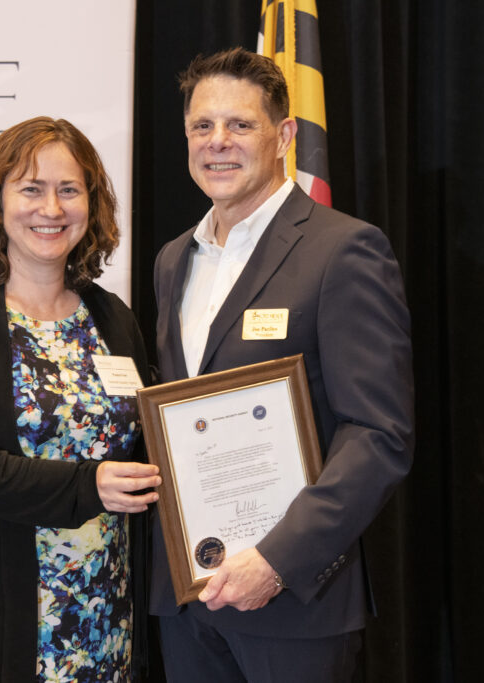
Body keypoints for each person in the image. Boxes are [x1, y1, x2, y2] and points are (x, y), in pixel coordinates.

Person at [150, 48, 415, 681]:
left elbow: (378, 434)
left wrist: (276, 561)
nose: (218, 141)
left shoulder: (343, 250)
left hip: (294, 603)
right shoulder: (172, 259)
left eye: (240, 124)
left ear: (284, 136)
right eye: (202, 125)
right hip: (189, 599)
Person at [0, 116, 161, 682]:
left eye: (69, 189)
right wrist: (89, 485)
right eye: (31, 188)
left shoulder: (113, 319)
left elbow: (147, 436)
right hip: (6, 615)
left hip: (107, 613)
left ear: (91, 205)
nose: (51, 208)